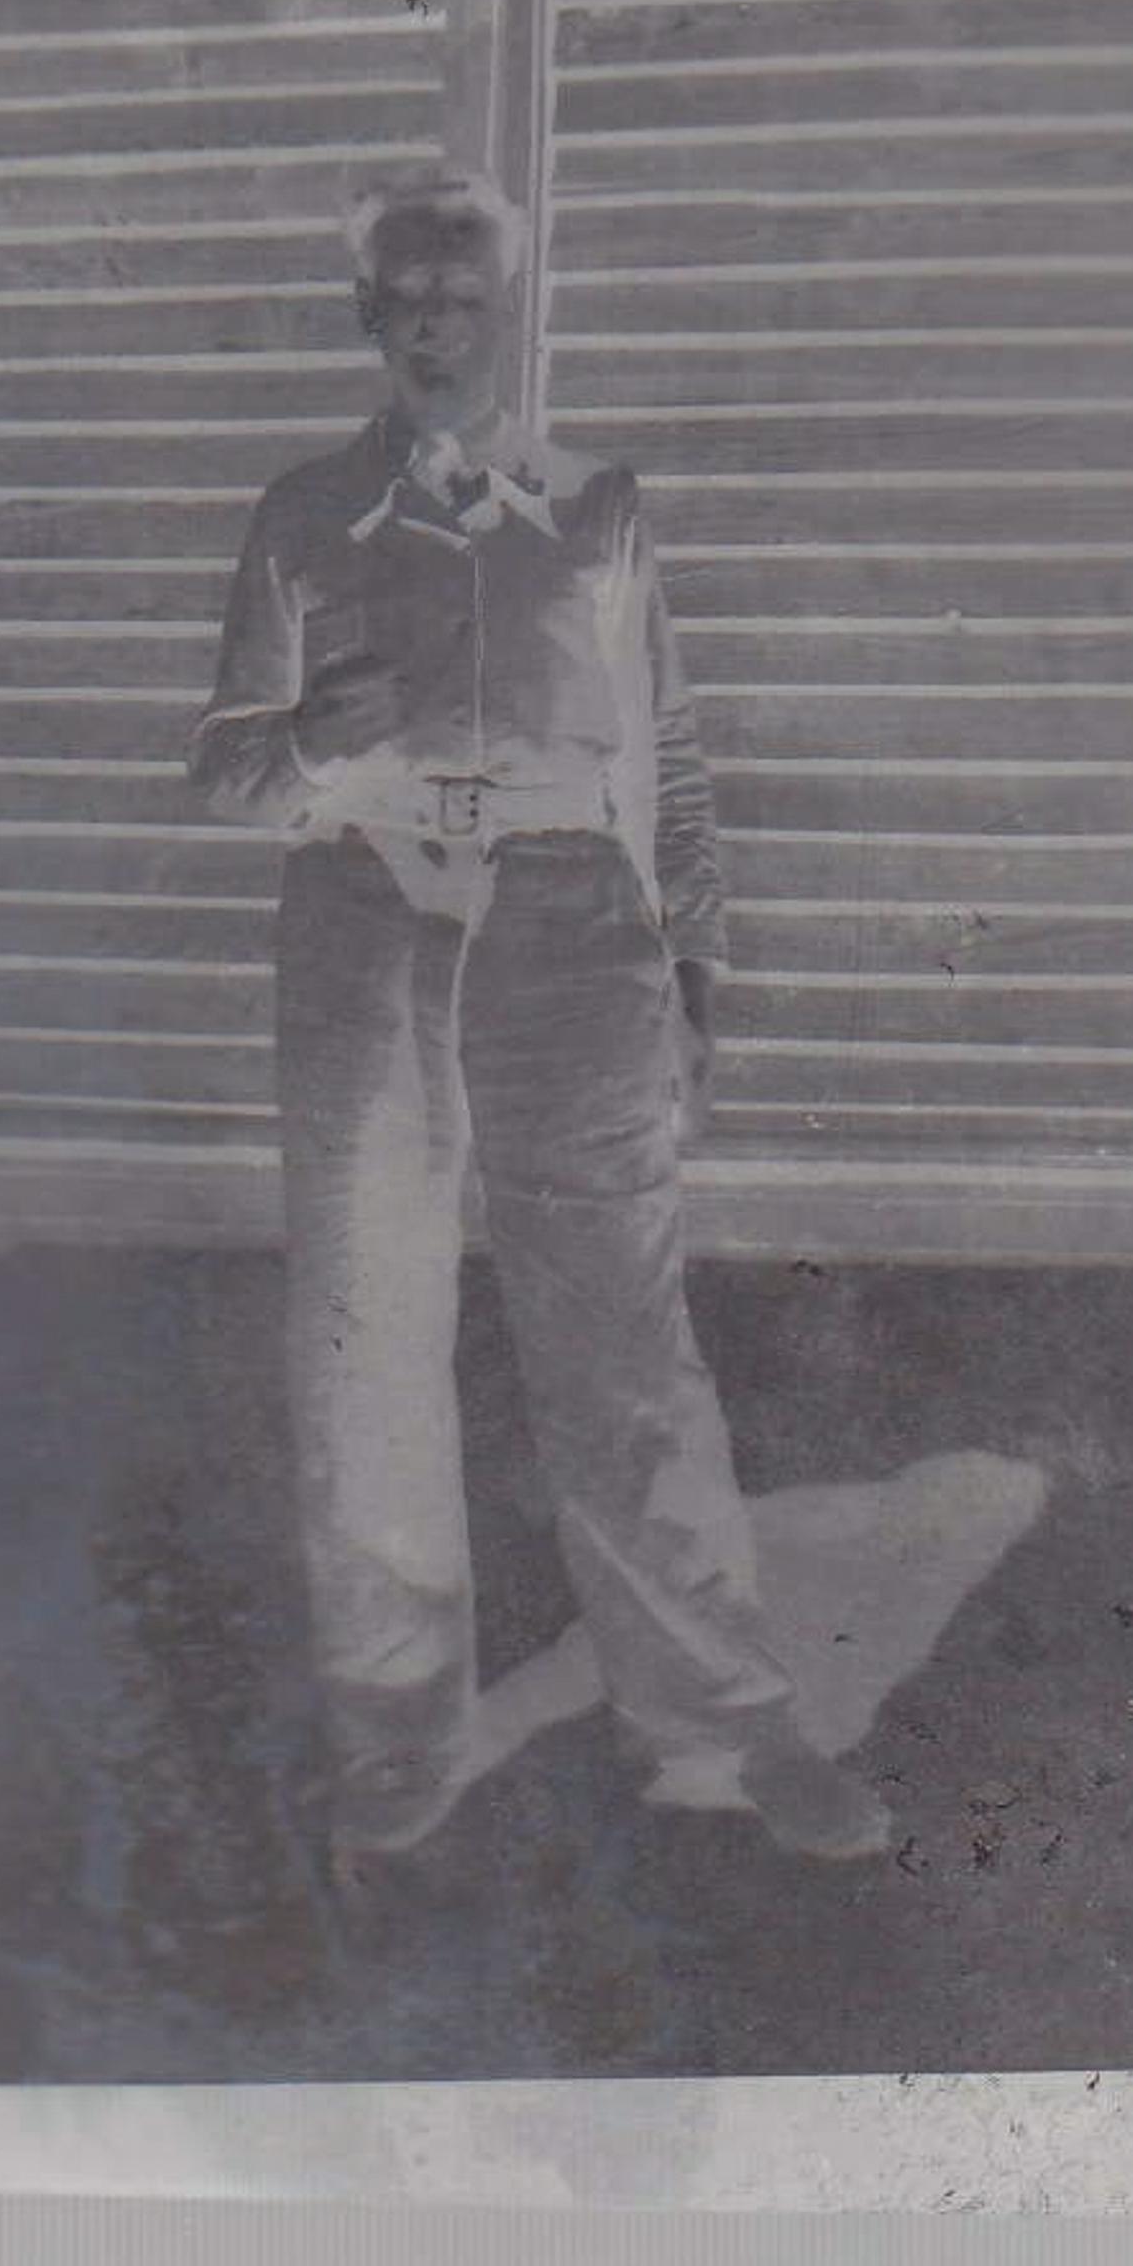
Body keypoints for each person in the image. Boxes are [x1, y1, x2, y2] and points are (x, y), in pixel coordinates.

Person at [186, 164, 891, 1889]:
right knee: (367, 1334)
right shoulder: (301, 515)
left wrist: (695, 972)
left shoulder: (599, 511)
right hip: (365, 924)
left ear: (509, 314)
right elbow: (227, 769)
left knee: (622, 1341)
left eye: (468, 295)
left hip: (576, 937)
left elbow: (675, 763)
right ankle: (396, 1722)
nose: (437, 323)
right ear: (366, 313)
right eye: (408, 295)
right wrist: (322, 739)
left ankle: (719, 1711)